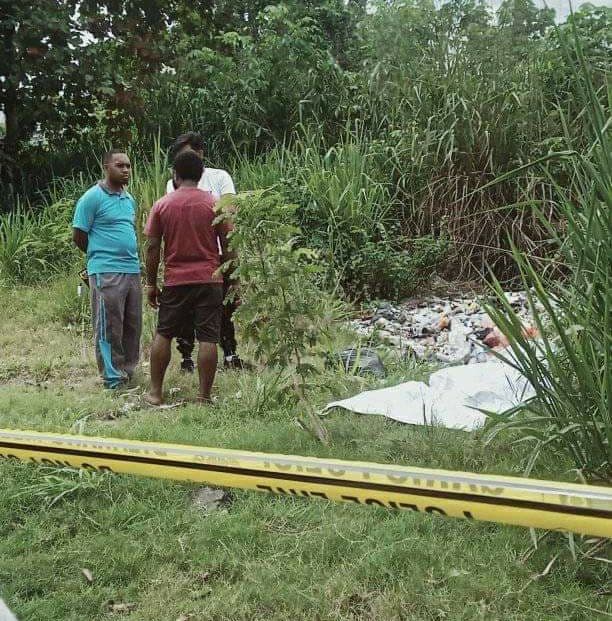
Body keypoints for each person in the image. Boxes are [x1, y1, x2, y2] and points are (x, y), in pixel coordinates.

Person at [144, 150, 236, 405]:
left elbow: (152, 247)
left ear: (175, 174)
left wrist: (151, 283)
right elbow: (228, 245)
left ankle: (155, 392)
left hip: (176, 280)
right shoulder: (215, 204)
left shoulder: (163, 204)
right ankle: (204, 396)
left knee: (164, 333)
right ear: (201, 175)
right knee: (208, 336)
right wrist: (234, 280)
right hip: (210, 279)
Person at [165, 132, 245, 371]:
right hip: (190, 253)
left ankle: (230, 354)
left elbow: (229, 209)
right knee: (186, 310)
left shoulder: (219, 177)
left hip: (220, 251)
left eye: (187, 154)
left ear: (200, 153)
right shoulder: (173, 182)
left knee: (226, 304)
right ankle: (186, 357)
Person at [72, 150, 142, 389]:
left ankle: (129, 372)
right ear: (106, 167)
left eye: (128, 166)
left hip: (131, 269)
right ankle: (112, 377)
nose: (125, 170)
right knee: (109, 324)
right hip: (105, 271)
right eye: (119, 165)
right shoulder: (92, 198)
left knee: (132, 324)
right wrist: (99, 257)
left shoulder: (129, 199)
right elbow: (79, 235)